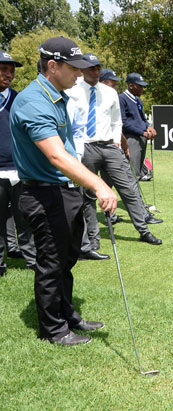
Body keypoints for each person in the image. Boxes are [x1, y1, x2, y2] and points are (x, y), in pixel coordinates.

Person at [10, 36, 118, 345]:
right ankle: (54, 330)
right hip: (43, 194)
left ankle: (67, 314)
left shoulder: (58, 95)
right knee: (52, 263)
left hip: (62, 191)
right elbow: (56, 155)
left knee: (67, 259)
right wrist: (98, 183)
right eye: (74, 68)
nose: (80, 74)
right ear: (52, 66)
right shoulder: (33, 101)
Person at [66, 54, 162, 247]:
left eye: (98, 68)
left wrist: (117, 142)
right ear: (83, 70)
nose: (95, 72)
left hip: (109, 146)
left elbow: (116, 121)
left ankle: (143, 230)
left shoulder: (109, 93)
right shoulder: (72, 92)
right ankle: (93, 240)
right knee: (88, 195)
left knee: (128, 188)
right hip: (86, 146)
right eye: (91, 68)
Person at [0, 50, 37, 274]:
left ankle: (32, 260)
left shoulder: (18, 99)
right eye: (3, 70)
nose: (9, 74)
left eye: (11, 71)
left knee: (25, 218)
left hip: (20, 170)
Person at [118, 72, 157, 181]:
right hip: (131, 139)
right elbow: (124, 123)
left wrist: (148, 127)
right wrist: (143, 132)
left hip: (141, 138)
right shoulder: (122, 98)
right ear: (131, 86)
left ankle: (135, 197)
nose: (142, 89)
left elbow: (142, 119)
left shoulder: (138, 100)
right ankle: (134, 198)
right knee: (132, 173)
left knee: (138, 172)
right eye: (139, 86)